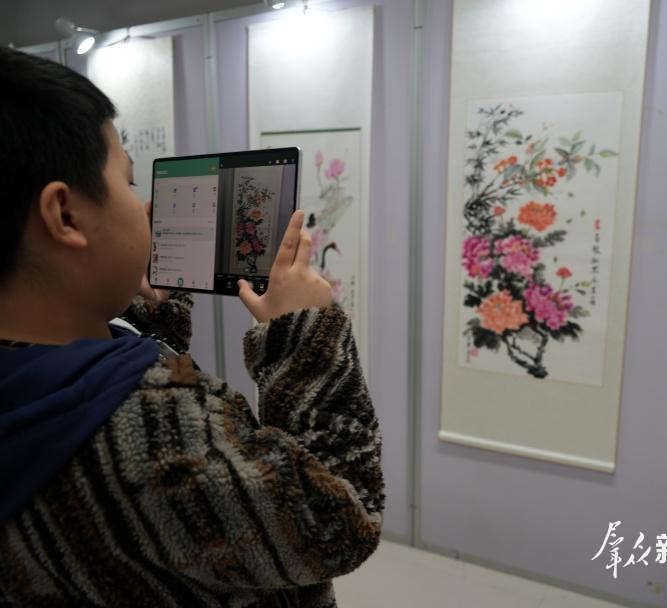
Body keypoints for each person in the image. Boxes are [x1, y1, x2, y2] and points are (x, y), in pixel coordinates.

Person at [0, 47, 384, 607]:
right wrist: (303, 336)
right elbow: (339, 518)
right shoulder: (156, 439)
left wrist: (151, 311)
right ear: (65, 215)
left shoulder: (38, 382)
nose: (145, 208)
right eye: (129, 183)